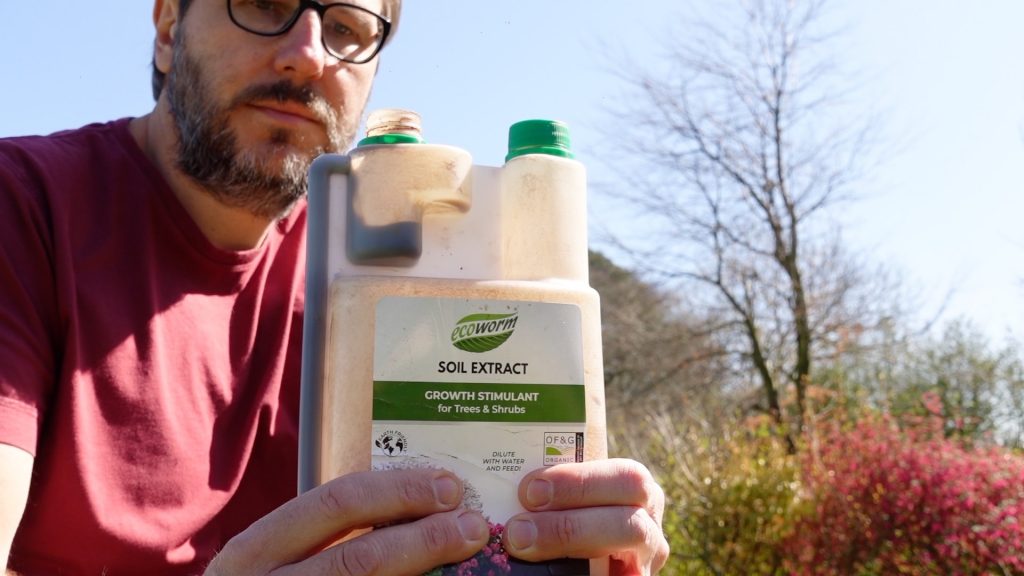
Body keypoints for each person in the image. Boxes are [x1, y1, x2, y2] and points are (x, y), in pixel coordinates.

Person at [0, 0, 669, 574]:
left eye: (346, 26)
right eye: (263, 4)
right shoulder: (25, 206)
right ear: (170, 27)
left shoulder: (395, 283)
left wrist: (591, 533)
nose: (308, 55)